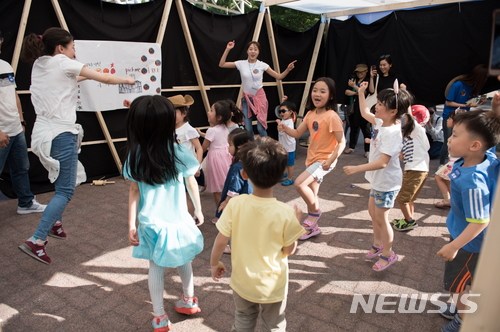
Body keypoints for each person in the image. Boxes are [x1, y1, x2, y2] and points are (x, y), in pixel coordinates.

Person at [18, 27, 135, 264]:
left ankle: (55, 222)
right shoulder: (62, 62)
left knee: (64, 184)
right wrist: (126, 79)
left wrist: (90, 74)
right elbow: (106, 78)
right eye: (72, 47)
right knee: (65, 190)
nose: (74, 51)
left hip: (44, 133)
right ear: (61, 48)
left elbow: (75, 77)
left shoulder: (41, 64)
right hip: (60, 134)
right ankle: (37, 239)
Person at [124, 96, 204, 332]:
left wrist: (131, 224)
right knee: (184, 260)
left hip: (150, 224)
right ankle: (189, 301)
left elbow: (133, 191)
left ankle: (159, 317)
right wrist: (198, 210)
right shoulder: (178, 151)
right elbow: (191, 183)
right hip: (179, 220)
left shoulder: (135, 155)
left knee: (155, 267)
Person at [210, 137, 305, 331]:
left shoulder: (235, 204)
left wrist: (214, 263)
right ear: (280, 175)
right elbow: (288, 250)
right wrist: (295, 224)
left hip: (242, 281)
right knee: (274, 325)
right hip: (273, 285)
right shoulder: (285, 213)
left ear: (244, 174)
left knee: (243, 319)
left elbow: (221, 240)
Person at [436, 108, 500, 332]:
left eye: (455, 136)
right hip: (468, 239)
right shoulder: (485, 158)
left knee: (458, 286)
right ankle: (459, 306)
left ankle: (463, 319)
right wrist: (495, 114)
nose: (449, 139)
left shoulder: (473, 182)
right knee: (464, 283)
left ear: (474, 146)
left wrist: (454, 246)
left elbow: (480, 221)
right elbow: (490, 138)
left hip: (468, 244)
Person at [343, 81, 412, 271]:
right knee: (373, 213)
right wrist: (361, 93)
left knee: (381, 218)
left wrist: (358, 168)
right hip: (378, 181)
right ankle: (377, 244)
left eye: (381, 104)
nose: (377, 106)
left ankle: (389, 254)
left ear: (392, 112)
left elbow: (383, 162)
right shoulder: (383, 122)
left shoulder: (393, 133)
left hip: (386, 183)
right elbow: (365, 113)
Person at [277, 77, 345, 240]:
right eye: (315, 90)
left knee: (299, 183)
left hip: (324, 161)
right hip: (312, 159)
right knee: (312, 195)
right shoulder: (310, 114)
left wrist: (331, 159)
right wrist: (285, 128)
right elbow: (297, 134)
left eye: (323, 91)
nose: (317, 94)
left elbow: (342, 142)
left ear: (331, 96)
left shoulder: (332, 116)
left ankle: (314, 214)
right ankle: (313, 228)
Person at [0, 31, 46, 214]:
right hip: (1, 131)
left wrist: (21, 121)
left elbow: (14, 95)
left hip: (15, 129)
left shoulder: (5, 66)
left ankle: (25, 203)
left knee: (21, 168)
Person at [219, 40, 296, 139]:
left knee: (260, 128)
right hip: (246, 99)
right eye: (250, 49)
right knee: (248, 128)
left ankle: (267, 148)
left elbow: (279, 76)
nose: (253, 52)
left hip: (259, 98)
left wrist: (288, 69)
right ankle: (253, 148)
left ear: (258, 52)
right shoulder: (241, 64)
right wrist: (228, 49)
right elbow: (222, 64)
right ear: (247, 51)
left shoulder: (262, 65)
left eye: (255, 49)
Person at [439, 64, 488, 165]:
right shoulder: (458, 85)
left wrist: (479, 103)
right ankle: (441, 164)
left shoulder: (474, 87)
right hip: (450, 116)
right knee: (447, 142)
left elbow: (472, 101)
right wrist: (464, 105)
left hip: (463, 118)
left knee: (460, 141)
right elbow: (448, 102)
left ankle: (453, 163)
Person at [214, 128, 253, 253]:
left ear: (240, 147)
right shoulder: (250, 162)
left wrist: (226, 201)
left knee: (232, 224)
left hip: (236, 202)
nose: (228, 147)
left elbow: (234, 188)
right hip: (247, 200)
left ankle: (232, 247)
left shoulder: (237, 167)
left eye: (230, 144)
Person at [392, 105, 430, 231]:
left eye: (406, 117)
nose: (404, 119)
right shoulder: (414, 134)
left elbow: (411, 117)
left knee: (401, 198)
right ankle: (409, 217)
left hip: (415, 170)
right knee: (409, 198)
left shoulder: (417, 129)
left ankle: (410, 221)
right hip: (416, 169)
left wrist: (405, 98)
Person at [169, 94, 204, 223]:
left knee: (184, 195)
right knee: (179, 195)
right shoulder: (169, 128)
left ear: (184, 113)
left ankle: (191, 219)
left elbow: (199, 148)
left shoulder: (188, 129)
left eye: (174, 112)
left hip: (187, 168)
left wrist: (197, 166)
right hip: (175, 167)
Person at [201, 100, 233, 221]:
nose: (208, 112)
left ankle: (220, 215)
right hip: (225, 157)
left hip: (215, 159)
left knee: (217, 190)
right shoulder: (224, 127)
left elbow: (204, 147)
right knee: (225, 186)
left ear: (218, 117)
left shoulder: (211, 130)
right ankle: (229, 211)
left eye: (211, 110)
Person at [434, 108, 463, 209]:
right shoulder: (458, 133)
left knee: (438, 177)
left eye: (450, 118)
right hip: (453, 162)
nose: (447, 120)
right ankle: (452, 200)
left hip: (454, 163)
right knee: (446, 179)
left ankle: (448, 200)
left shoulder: (458, 134)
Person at [344, 64, 371, 157]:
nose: (359, 74)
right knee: (353, 127)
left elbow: (365, 92)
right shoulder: (354, 79)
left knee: (365, 128)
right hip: (353, 106)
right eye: (358, 72)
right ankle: (351, 147)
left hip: (363, 107)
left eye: (362, 72)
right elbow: (347, 92)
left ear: (366, 71)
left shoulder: (366, 81)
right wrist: (357, 92)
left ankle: (367, 150)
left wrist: (354, 87)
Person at [276, 96, 297, 186]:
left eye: (283, 111)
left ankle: (290, 178)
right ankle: (283, 174)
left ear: (291, 112)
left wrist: (278, 123)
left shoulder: (289, 122)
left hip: (289, 148)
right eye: (280, 111)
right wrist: (283, 101)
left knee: (290, 164)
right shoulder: (284, 119)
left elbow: (281, 129)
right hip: (283, 146)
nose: (281, 113)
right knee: (282, 162)